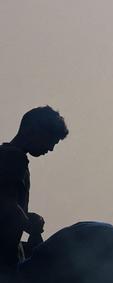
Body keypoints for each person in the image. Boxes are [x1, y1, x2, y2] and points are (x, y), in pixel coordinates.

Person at [1, 107, 68, 274]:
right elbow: (6, 203)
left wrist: (28, 217)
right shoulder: (13, 158)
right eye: (51, 139)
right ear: (35, 131)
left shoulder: (9, 156)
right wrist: (31, 225)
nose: (51, 148)